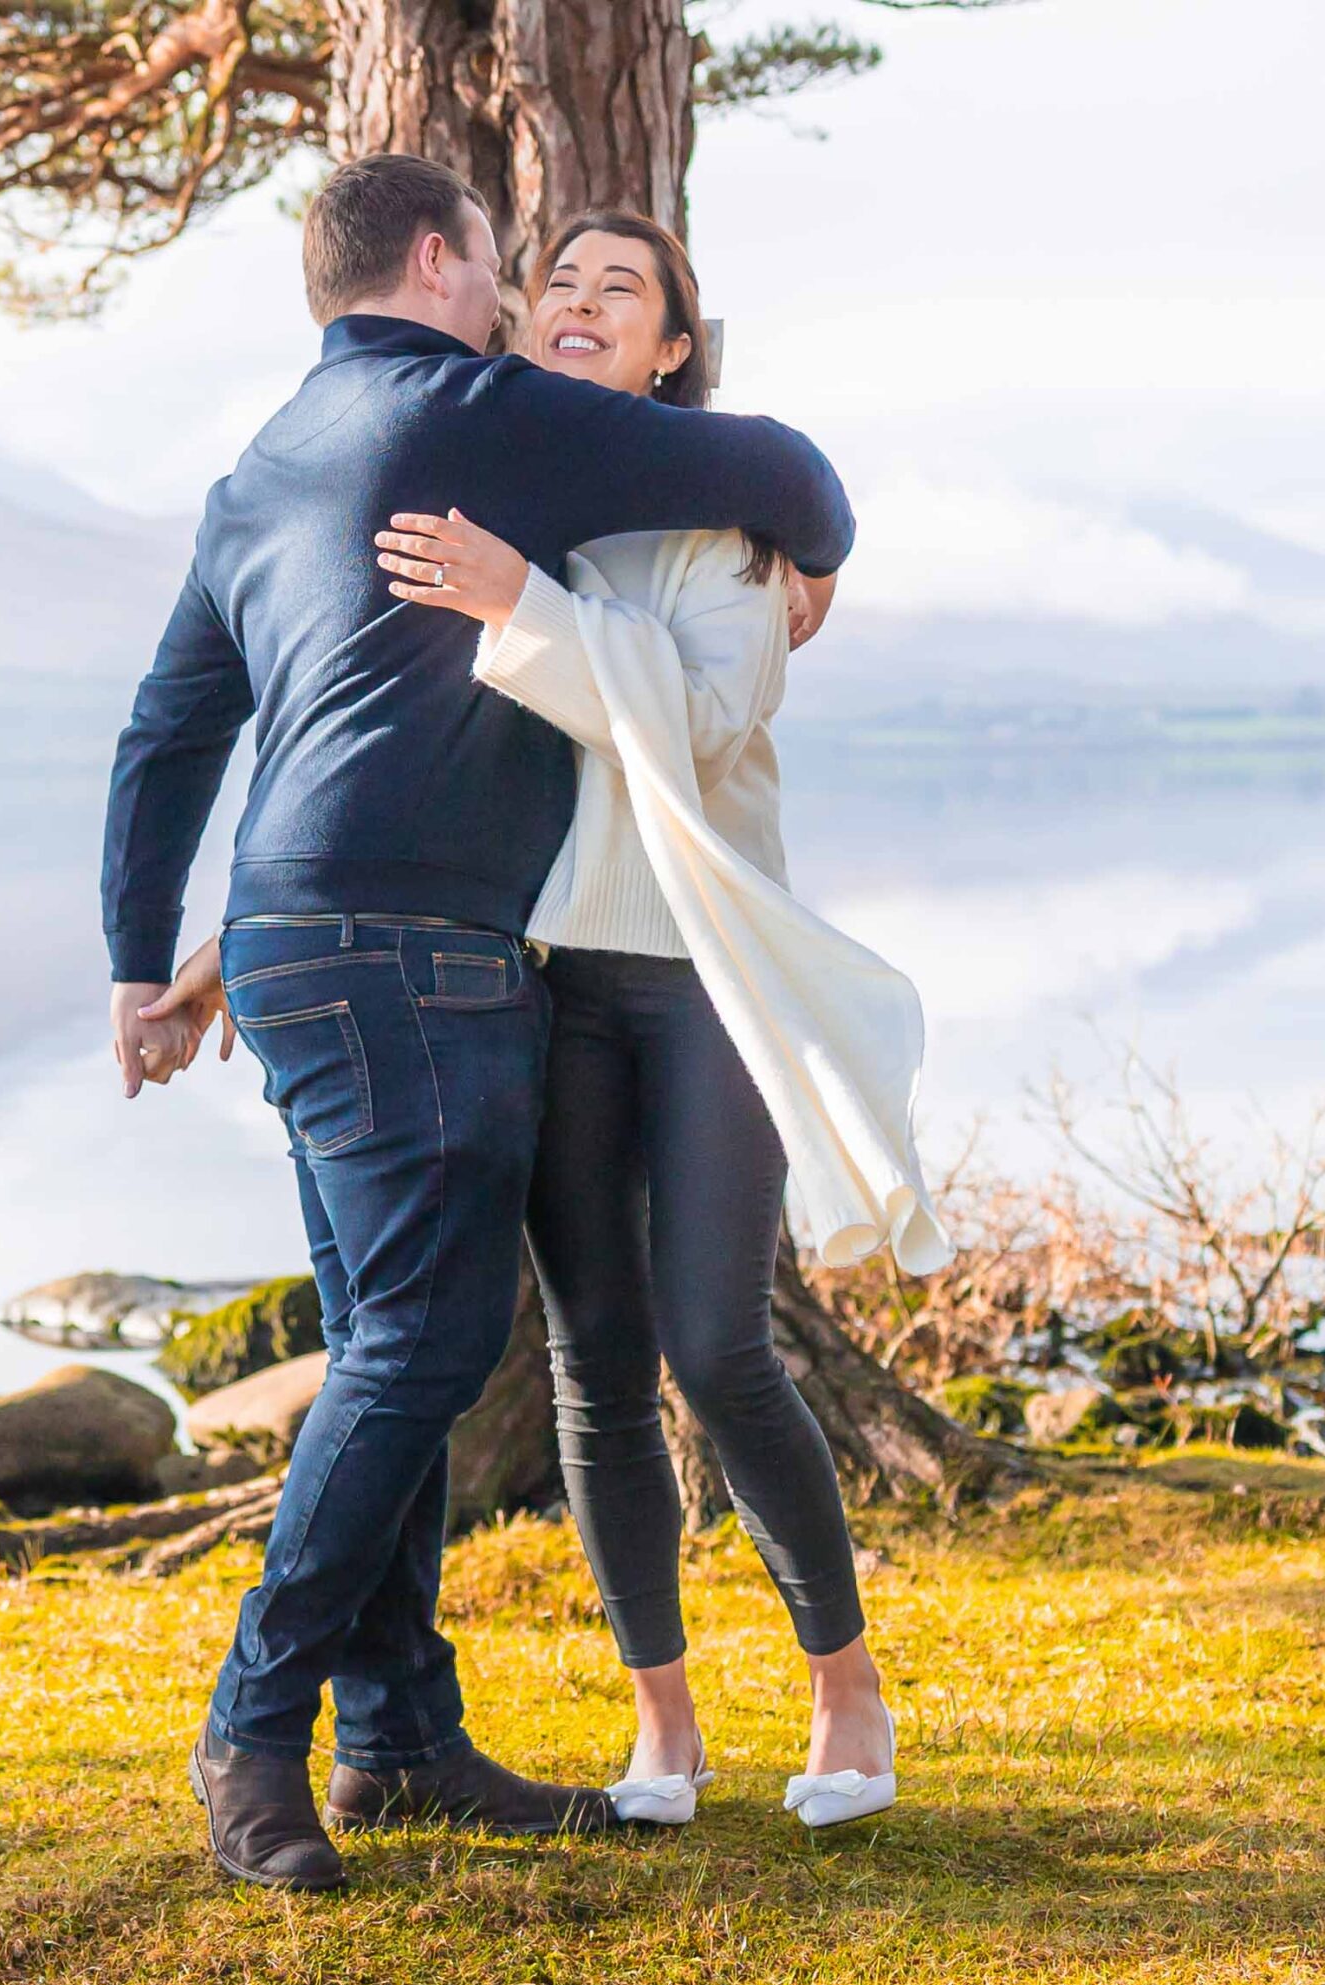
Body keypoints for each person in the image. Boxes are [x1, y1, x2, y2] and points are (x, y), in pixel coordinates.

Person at [101, 153, 856, 1893]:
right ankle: (254, 1727)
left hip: (292, 942)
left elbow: (167, 737)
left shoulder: (256, 470)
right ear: (444, 264)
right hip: (414, 948)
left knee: (386, 1336)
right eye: (520, 273)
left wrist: (153, 960)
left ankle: (397, 1739)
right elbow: (789, 470)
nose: (536, 305)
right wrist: (820, 552)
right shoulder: (481, 409)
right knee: (423, 1354)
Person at [362, 210, 952, 1831]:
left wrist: (521, 613)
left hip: (700, 979)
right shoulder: (520, 513)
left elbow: (693, 725)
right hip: (548, 978)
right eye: (557, 281)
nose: (578, 303)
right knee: (595, 1362)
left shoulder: (730, 530)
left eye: (622, 290)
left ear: (671, 351)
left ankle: (847, 1692)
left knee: (717, 1343)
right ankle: (665, 1728)